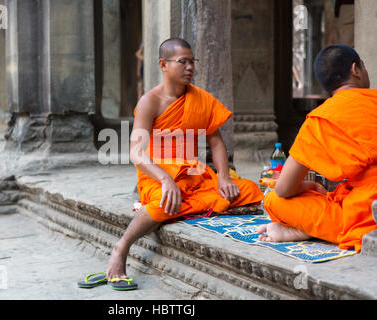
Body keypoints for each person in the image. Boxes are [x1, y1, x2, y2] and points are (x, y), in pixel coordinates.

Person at [106, 38, 263, 286]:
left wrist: (223, 176)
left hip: (193, 174)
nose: (190, 67)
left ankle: (190, 203)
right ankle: (122, 247)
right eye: (183, 62)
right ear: (163, 64)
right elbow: (136, 151)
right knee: (164, 203)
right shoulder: (151, 101)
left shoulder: (200, 98)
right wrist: (165, 178)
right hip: (157, 174)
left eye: (192, 62)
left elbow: (217, 142)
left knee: (248, 190)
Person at [257, 44, 377, 252]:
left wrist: (308, 187)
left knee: (273, 199)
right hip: (363, 204)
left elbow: (284, 189)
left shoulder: (319, 119)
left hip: (362, 215)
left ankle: (310, 230)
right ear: (355, 69)